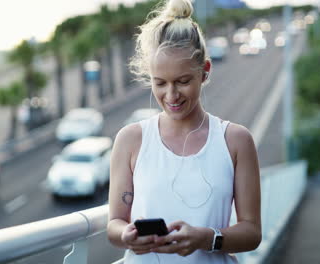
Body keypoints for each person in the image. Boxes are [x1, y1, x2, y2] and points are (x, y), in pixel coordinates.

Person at [107, 0, 261, 262]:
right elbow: (114, 224)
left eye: (183, 81)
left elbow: (252, 232)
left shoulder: (236, 141)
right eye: (160, 83)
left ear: (205, 72)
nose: (171, 95)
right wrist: (126, 235)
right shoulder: (130, 140)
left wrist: (206, 238)